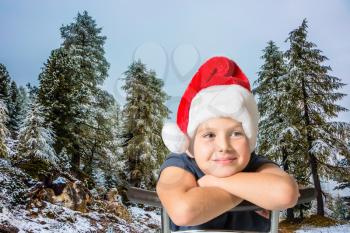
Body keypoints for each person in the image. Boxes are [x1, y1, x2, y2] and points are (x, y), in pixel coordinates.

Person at [156, 56, 300, 232]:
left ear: (250, 139)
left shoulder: (256, 164)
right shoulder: (180, 164)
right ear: (190, 143)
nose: (224, 146)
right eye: (209, 135)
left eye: (236, 134)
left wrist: (214, 182)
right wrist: (249, 192)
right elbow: (184, 211)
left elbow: (285, 193)